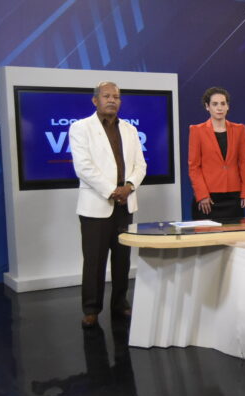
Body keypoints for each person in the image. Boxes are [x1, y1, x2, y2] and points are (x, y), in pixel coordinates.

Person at [69, 81, 147, 328]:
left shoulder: (130, 130)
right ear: (95, 100)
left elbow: (141, 165)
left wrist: (129, 186)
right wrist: (113, 191)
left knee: (123, 259)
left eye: (116, 96)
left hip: (125, 204)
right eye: (106, 96)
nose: (112, 100)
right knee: (95, 261)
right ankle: (91, 309)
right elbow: (84, 167)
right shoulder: (81, 128)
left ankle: (120, 304)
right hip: (96, 204)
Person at [188, 87, 245, 220]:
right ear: (207, 106)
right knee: (207, 234)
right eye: (215, 104)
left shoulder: (239, 129)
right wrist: (202, 195)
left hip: (234, 197)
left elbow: (244, 162)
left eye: (223, 103)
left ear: (228, 106)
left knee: (234, 233)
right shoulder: (197, 131)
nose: (219, 108)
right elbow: (194, 167)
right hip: (208, 198)